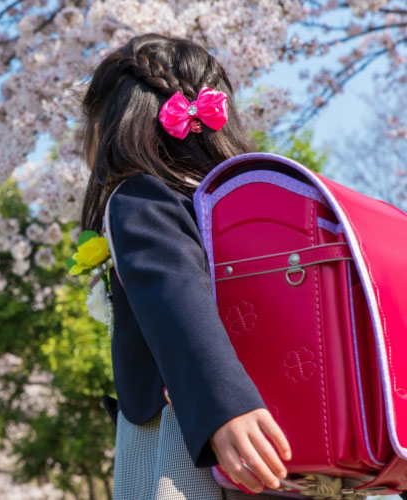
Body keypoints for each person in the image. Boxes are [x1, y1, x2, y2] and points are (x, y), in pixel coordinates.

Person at [77, 33, 293, 499]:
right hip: (289, 437)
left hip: (194, 442)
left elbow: (173, 295)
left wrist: (223, 406)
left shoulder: (140, 197)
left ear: (112, 124)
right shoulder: (261, 204)